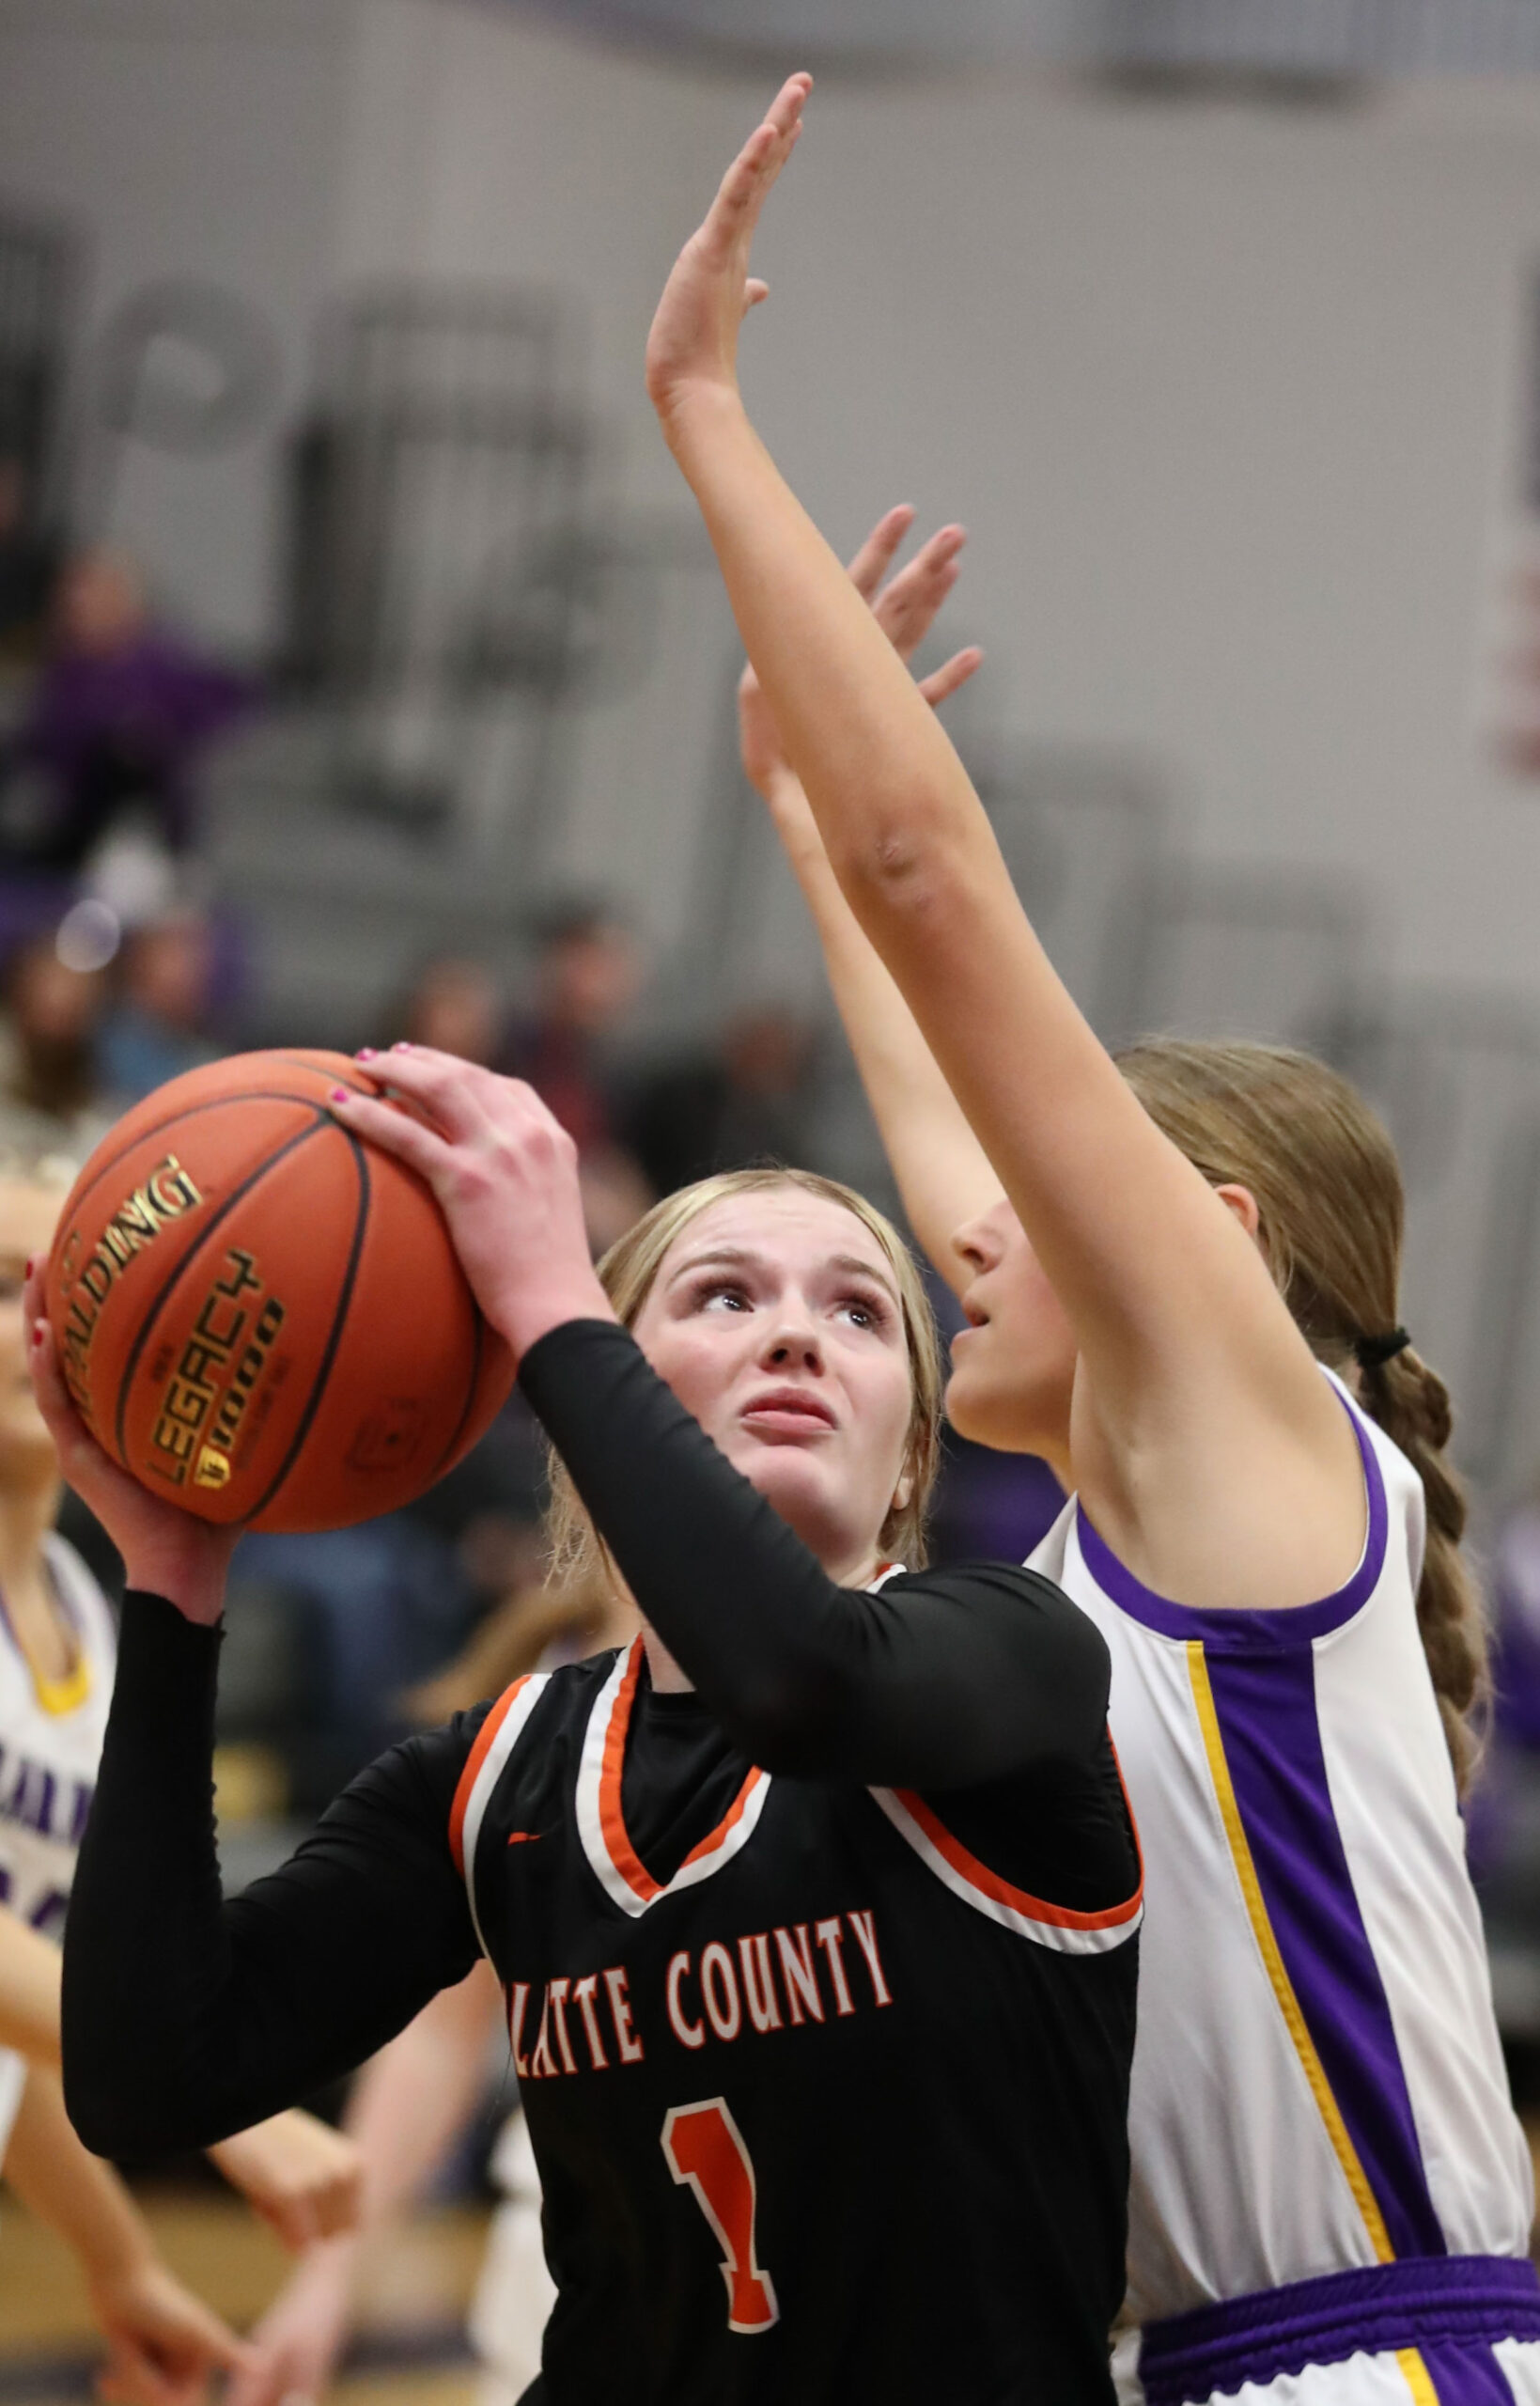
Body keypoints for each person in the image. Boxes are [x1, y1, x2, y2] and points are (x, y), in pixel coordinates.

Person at [643, 73, 1540, 2406]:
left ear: (1200, 1242)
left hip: (1368, 2364)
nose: (961, 1247)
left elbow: (944, 886)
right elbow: (949, 1116)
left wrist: (706, 417)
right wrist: (805, 835)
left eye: (1027, 1218)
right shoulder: (1156, 1518)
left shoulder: (1250, 1450)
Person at [52, 1058, 1143, 2403]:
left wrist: (552, 1300)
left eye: (859, 1311)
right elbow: (145, 2078)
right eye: (724, 1295)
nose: (794, 1336)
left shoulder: (1021, 1655)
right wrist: (173, 1590)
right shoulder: (497, 1775)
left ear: (914, 1452)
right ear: (602, 1412)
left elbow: (798, 1682)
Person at [0, 1158, 361, 2392]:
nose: (37, 1323)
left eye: (68, 1287)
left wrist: (119, 2263)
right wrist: (217, 2104)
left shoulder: (80, 1612)